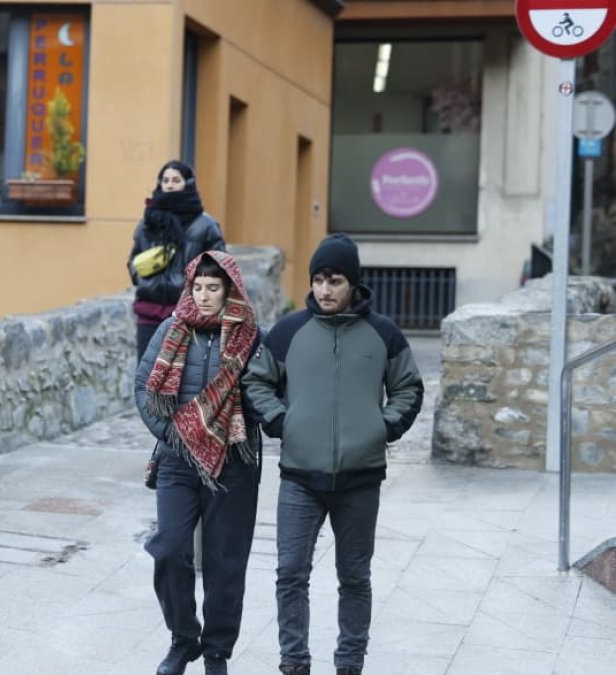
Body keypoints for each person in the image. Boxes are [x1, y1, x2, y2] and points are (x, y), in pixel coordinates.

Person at [243, 234, 424, 675]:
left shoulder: (383, 334)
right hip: (300, 477)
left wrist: (384, 427)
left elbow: (408, 388)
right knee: (290, 573)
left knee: (355, 578)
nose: (324, 290)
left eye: (335, 280)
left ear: (353, 284)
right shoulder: (289, 331)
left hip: (361, 480)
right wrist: (282, 422)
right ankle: (294, 662)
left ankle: (349, 663)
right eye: (318, 280)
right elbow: (255, 381)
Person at [135, 250, 262, 675]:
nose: (204, 296)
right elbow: (142, 385)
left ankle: (216, 651)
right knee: (169, 548)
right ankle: (183, 639)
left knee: (226, 560)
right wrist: (173, 433)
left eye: (214, 288)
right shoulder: (171, 330)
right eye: (198, 287)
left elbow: (267, 391)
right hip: (176, 459)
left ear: (229, 290)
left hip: (234, 461)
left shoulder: (251, 337)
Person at [128, 160, 227, 361]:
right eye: (165, 180)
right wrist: (143, 279)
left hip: (187, 313)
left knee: (182, 376)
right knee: (147, 374)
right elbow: (133, 260)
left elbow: (220, 267)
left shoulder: (205, 225)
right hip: (149, 312)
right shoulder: (148, 223)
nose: (170, 185)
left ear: (187, 184)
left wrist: (197, 291)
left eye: (176, 180)